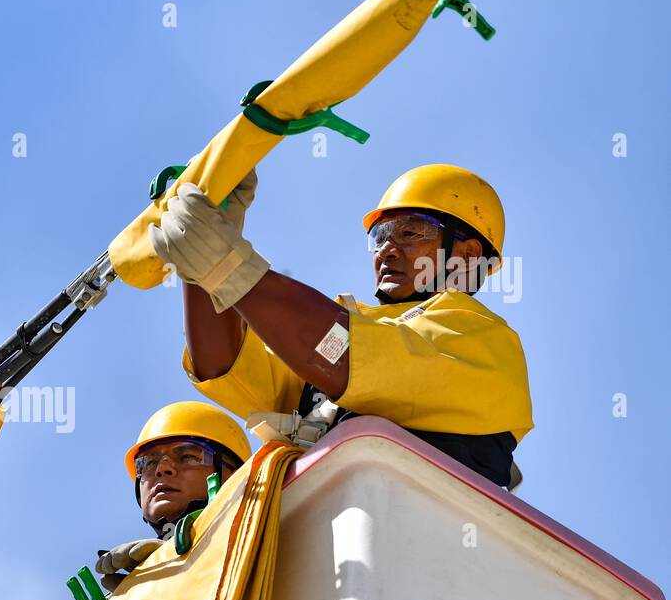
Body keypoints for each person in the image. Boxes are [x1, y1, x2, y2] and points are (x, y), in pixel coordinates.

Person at [155, 164, 532, 489]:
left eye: (410, 233)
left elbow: (341, 353)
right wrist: (200, 265)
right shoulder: (350, 336)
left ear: (467, 254)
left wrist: (226, 266)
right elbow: (222, 364)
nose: (386, 250)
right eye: (380, 237)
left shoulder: (484, 340)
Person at [2, 401, 250, 600]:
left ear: (233, 472)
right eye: (147, 464)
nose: (163, 469)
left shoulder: (267, 526)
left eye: (188, 456)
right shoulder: (131, 591)